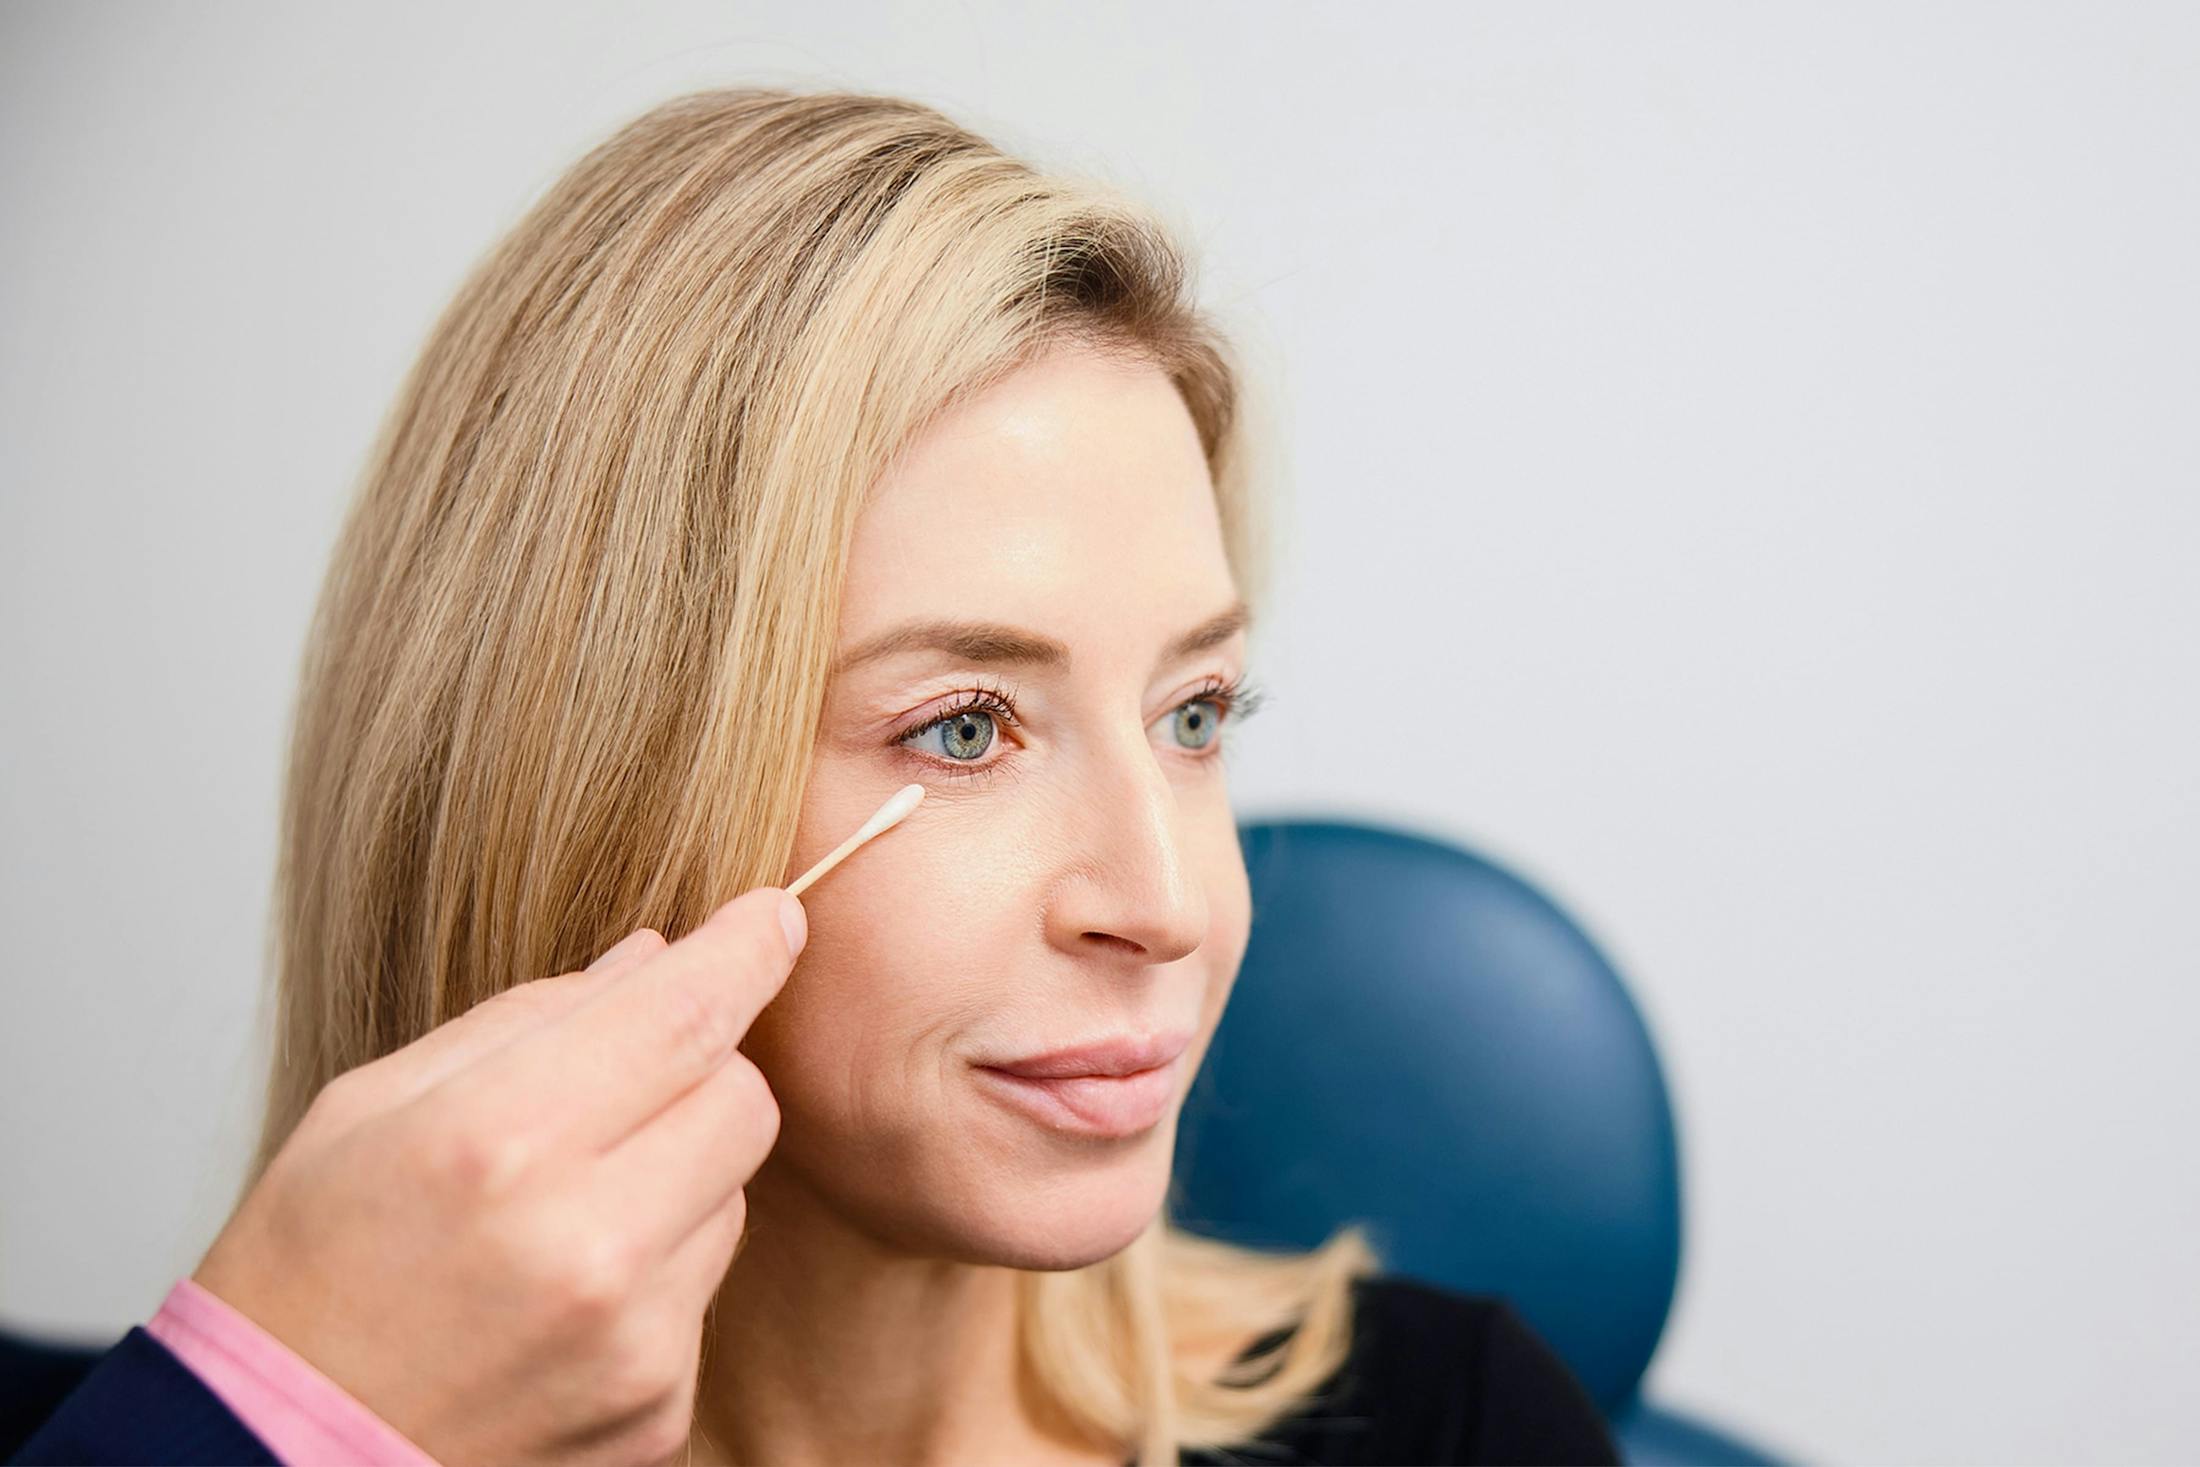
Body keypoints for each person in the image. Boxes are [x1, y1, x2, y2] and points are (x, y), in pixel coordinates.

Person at [5, 86, 1621, 1466]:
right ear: (592, 790)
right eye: (966, 728)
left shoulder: (1457, 1428)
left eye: (1196, 713)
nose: (1170, 904)